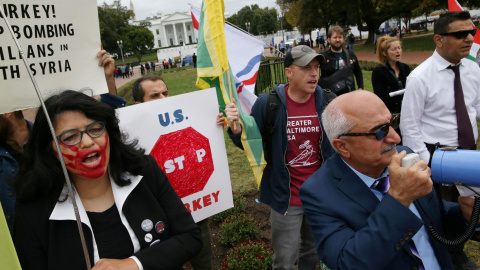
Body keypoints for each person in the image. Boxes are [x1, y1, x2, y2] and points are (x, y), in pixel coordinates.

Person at [14, 90, 202, 270]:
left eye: (95, 129)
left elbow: (190, 237)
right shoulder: (33, 210)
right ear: (49, 150)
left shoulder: (143, 170)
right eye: (70, 137)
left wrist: (134, 264)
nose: (87, 142)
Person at [300, 90, 480, 270]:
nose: (396, 137)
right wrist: (399, 199)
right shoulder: (319, 193)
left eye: (392, 123)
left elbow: (434, 221)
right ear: (343, 146)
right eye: (379, 132)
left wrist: (465, 215)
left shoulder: (405, 155)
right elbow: (348, 262)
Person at [225, 45, 335, 270]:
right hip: (287, 199)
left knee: (312, 253)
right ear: (289, 72)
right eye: (306, 68)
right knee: (284, 260)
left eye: (316, 67)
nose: (314, 73)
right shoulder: (268, 104)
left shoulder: (328, 102)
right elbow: (250, 142)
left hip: (320, 197)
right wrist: (236, 129)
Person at [0, 50, 123, 237]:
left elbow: (105, 125)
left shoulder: (49, 139)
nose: (87, 142)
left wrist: (108, 81)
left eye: (71, 137)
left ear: (6, 112)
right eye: (70, 137)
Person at [400, 11, 480, 269]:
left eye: (471, 32)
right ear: (439, 39)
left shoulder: (472, 69)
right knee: (443, 216)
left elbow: (475, 108)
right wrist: (429, 167)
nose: (468, 38)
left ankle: (459, 250)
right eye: (459, 34)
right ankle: (453, 258)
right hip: (438, 158)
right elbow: (409, 128)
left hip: (469, 152)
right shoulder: (420, 77)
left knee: (471, 206)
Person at [132, 75, 222, 270]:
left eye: (165, 93)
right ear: (138, 104)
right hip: (159, 224)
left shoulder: (184, 119)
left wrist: (213, 122)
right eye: (155, 95)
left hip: (195, 217)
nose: (164, 99)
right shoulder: (130, 135)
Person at [318, 26, 364, 96]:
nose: (338, 40)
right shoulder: (323, 57)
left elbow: (358, 72)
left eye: (340, 37)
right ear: (329, 39)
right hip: (330, 96)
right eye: (335, 37)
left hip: (349, 94)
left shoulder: (350, 55)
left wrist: (360, 88)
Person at [371, 35, 410, 115]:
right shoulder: (379, 71)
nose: (398, 51)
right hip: (389, 114)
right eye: (394, 49)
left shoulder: (405, 68)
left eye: (399, 48)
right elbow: (380, 96)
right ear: (385, 53)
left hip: (406, 112)